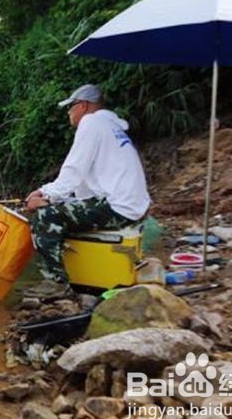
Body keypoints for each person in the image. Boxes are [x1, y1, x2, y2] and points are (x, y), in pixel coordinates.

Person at [25, 84, 150, 286]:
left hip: (118, 207)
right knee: (60, 210)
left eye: (71, 106)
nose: (68, 112)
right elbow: (84, 186)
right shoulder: (110, 126)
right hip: (132, 206)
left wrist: (45, 195)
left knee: (45, 217)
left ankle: (56, 284)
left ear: (83, 105)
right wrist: (51, 196)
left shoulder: (91, 123)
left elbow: (73, 171)